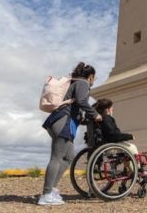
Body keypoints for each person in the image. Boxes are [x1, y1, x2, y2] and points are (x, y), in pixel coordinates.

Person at [39, 62, 102, 206]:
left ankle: (52, 189)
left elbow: (77, 106)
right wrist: (95, 114)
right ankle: (46, 194)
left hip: (61, 122)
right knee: (56, 157)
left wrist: (85, 117)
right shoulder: (83, 83)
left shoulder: (75, 83)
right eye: (95, 78)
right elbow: (81, 101)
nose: (93, 81)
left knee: (69, 157)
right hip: (63, 122)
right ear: (91, 76)